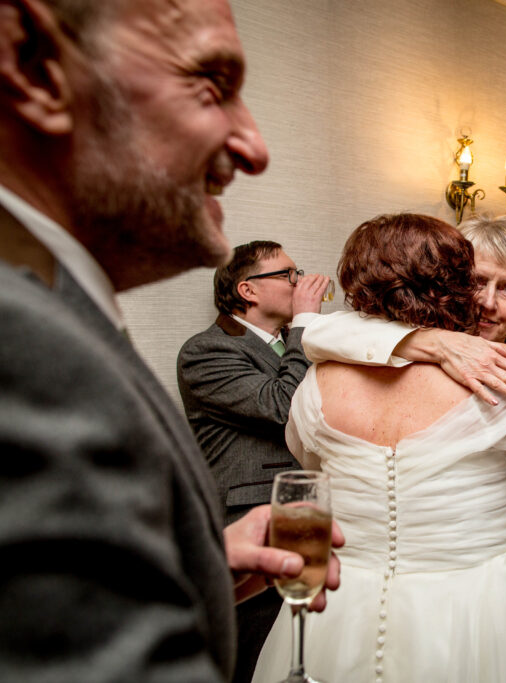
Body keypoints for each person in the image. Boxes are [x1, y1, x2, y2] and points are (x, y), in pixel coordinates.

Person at [0, 1, 341, 680]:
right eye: (212, 86)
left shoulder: (57, 310)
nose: (254, 146)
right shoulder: (26, 342)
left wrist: (200, 568)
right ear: (36, 68)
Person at [251, 214, 506, 682]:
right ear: (454, 285)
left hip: (341, 603)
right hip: (479, 607)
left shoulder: (316, 382)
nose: (488, 301)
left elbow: (308, 461)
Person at [177, 240, 330, 683]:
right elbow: (282, 405)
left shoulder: (300, 343)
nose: (300, 283)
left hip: (307, 515)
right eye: (287, 275)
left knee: (298, 651)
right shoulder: (206, 351)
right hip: (249, 520)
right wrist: (304, 322)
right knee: (253, 659)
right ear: (248, 290)